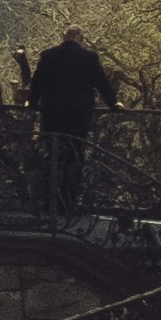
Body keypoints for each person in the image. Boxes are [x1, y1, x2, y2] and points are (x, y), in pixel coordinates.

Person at [28, 25, 115, 209]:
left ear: (64, 37)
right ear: (80, 38)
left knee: (52, 157)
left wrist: (31, 103)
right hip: (78, 117)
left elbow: (37, 84)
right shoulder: (89, 58)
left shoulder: (49, 56)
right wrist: (114, 104)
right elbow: (102, 83)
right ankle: (69, 203)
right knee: (74, 158)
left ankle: (50, 203)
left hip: (52, 116)